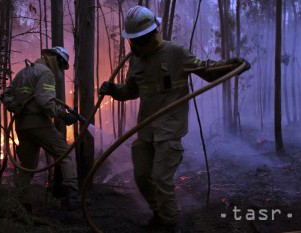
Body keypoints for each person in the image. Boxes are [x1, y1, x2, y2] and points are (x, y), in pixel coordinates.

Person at [99, 5, 250, 232]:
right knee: (141, 176)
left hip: (169, 129)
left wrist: (232, 65)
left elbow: (206, 71)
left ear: (151, 36)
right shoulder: (136, 61)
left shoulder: (176, 53)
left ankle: (169, 223)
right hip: (146, 128)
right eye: (132, 41)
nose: (134, 45)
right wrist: (112, 89)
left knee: (161, 178)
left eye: (138, 40)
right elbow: (131, 92)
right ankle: (159, 214)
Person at [1, 46, 80, 209]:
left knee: (28, 165)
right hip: (39, 123)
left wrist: (17, 107)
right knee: (65, 153)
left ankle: (19, 203)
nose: (60, 70)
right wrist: (63, 115)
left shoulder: (24, 72)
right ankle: (72, 195)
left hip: (22, 126)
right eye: (62, 66)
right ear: (57, 60)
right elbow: (45, 101)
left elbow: (5, 95)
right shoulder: (46, 73)